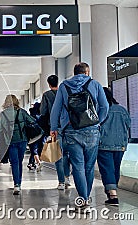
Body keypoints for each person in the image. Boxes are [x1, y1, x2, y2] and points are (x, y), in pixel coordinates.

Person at [50, 62, 108, 210]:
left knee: (78, 166)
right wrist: (97, 122)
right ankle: (85, 199)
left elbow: (55, 109)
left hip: (71, 130)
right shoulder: (95, 84)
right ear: (87, 72)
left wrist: (54, 128)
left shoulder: (64, 86)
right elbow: (104, 106)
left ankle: (83, 200)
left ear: (74, 73)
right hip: (91, 130)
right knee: (89, 167)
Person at [97, 87, 130, 206]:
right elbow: (128, 124)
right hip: (120, 144)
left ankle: (113, 195)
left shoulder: (101, 110)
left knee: (107, 169)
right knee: (115, 168)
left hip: (104, 144)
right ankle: (112, 191)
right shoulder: (122, 109)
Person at [0, 95, 35, 195]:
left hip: (10, 141)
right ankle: (19, 183)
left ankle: (16, 185)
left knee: (14, 162)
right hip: (22, 140)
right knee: (20, 161)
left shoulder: (3, 114)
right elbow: (32, 121)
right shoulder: (21, 112)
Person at [40, 75, 72, 190]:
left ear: (48, 83)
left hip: (55, 128)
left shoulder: (47, 95)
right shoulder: (65, 92)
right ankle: (67, 176)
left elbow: (43, 111)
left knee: (58, 154)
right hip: (67, 127)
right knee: (67, 153)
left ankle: (61, 182)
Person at [27, 102, 44, 172]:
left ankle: (37, 162)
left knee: (33, 150)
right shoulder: (41, 116)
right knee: (38, 149)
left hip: (32, 136)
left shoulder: (30, 116)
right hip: (40, 135)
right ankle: (37, 162)